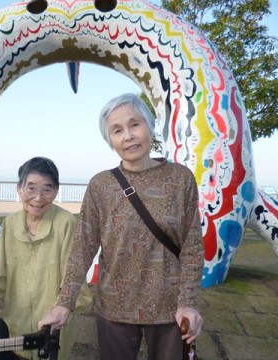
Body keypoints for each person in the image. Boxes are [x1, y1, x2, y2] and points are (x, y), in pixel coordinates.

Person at [38, 93, 204, 360]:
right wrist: (63, 304)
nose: (128, 135)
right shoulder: (100, 186)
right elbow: (82, 248)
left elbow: (192, 247)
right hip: (114, 308)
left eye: (135, 124)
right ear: (110, 140)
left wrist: (188, 304)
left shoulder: (180, 179)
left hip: (169, 309)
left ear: (150, 127)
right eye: (117, 130)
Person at [0, 157, 92, 360]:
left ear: (56, 191)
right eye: (31, 188)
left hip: (52, 329)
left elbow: (74, 279)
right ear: (19, 189)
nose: (38, 197)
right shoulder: (10, 224)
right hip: (16, 327)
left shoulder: (66, 223)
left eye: (47, 189)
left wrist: (62, 308)